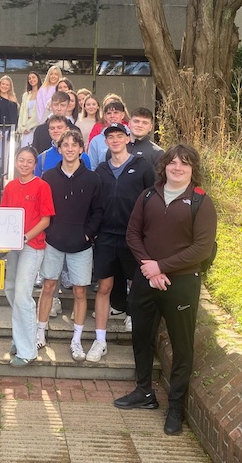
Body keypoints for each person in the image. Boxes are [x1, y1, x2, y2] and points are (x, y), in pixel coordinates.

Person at [114, 144, 217, 436]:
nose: (177, 168)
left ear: (192, 168)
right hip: (146, 278)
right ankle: (144, 392)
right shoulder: (148, 195)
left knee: (181, 346)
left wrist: (162, 267)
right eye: (172, 163)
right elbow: (133, 233)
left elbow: (201, 249)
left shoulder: (201, 202)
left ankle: (175, 407)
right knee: (141, 336)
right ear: (164, 166)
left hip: (181, 284)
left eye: (184, 164)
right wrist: (149, 266)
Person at [89, 123, 155, 363]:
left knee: (136, 286)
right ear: (105, 142)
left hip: (133, 237)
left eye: (119, 135)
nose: (115, 140)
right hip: (106, 237)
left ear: (128, 138)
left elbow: (153, 200)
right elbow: (94, 204)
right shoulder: (100, 170)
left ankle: (136, 330)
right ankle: (100, 340)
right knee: (104, 288)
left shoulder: (143, 168)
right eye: (110, 137)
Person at [36, 130, 102, 361]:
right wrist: (49, 231)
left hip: (81, 245)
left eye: (75, 145)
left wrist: (88, 235)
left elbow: (98, 211)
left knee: (80, 291)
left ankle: (76, 339)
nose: (70, 148)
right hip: (54, 241)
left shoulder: (93, 178)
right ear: (60, 148)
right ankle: (40, 331)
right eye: (66, 145)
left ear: (82, 149)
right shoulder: (48, 176)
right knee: (48, 286)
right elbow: (41, 208)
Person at [0, 146, 55, 366]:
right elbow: (4, 215)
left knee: (23, 294)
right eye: (21, 160)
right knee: (11, 289)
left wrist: (24, 237)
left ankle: (28, 351)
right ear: (15, 162)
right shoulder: (10, 186)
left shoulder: (42, 186)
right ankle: (21, 337)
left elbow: (45, 220)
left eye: (29, 161)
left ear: (35, 164)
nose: (24, 164)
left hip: (33, 246)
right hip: (13, 247)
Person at [0, 75, 19, 187]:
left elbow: (14, 119)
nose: (5, 86)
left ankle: (3, 180)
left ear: (10, 86)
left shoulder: (13, 101)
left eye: (7, 84)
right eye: (3, 84)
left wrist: (11, 134)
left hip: (8, 132)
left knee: (6, 156)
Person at [88, 101, 128, 170]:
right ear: (105, 117)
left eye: (116, 112)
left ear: (122, 115)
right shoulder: (96, 141)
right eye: (109, 113)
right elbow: (92, 167)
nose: (112, 116)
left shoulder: (131, 137)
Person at [18, 71, 42, 147]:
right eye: (29, 78)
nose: (31, 80)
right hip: (26, 128)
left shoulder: (42, 93)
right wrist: (22, 128)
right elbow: (22, 113)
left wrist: (29, 126)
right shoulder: (26, 95)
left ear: (38, 78)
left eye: (33, 77)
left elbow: (41, 112)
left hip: (36, 126)